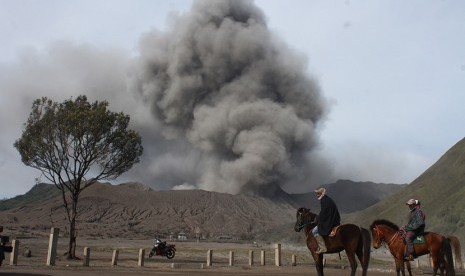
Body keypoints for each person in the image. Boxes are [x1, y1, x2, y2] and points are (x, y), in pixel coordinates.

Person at [311, 187, 341, 254]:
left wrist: (318, 219)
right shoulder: (326, 199)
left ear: (322, 193)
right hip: (334, 219)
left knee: (314, 231)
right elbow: (324, 212)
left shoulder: (324, 201)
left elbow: (324, 213)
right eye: (317, 193)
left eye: (318, 193)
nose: (317, 195)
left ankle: (322, 247)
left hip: (331, 221)